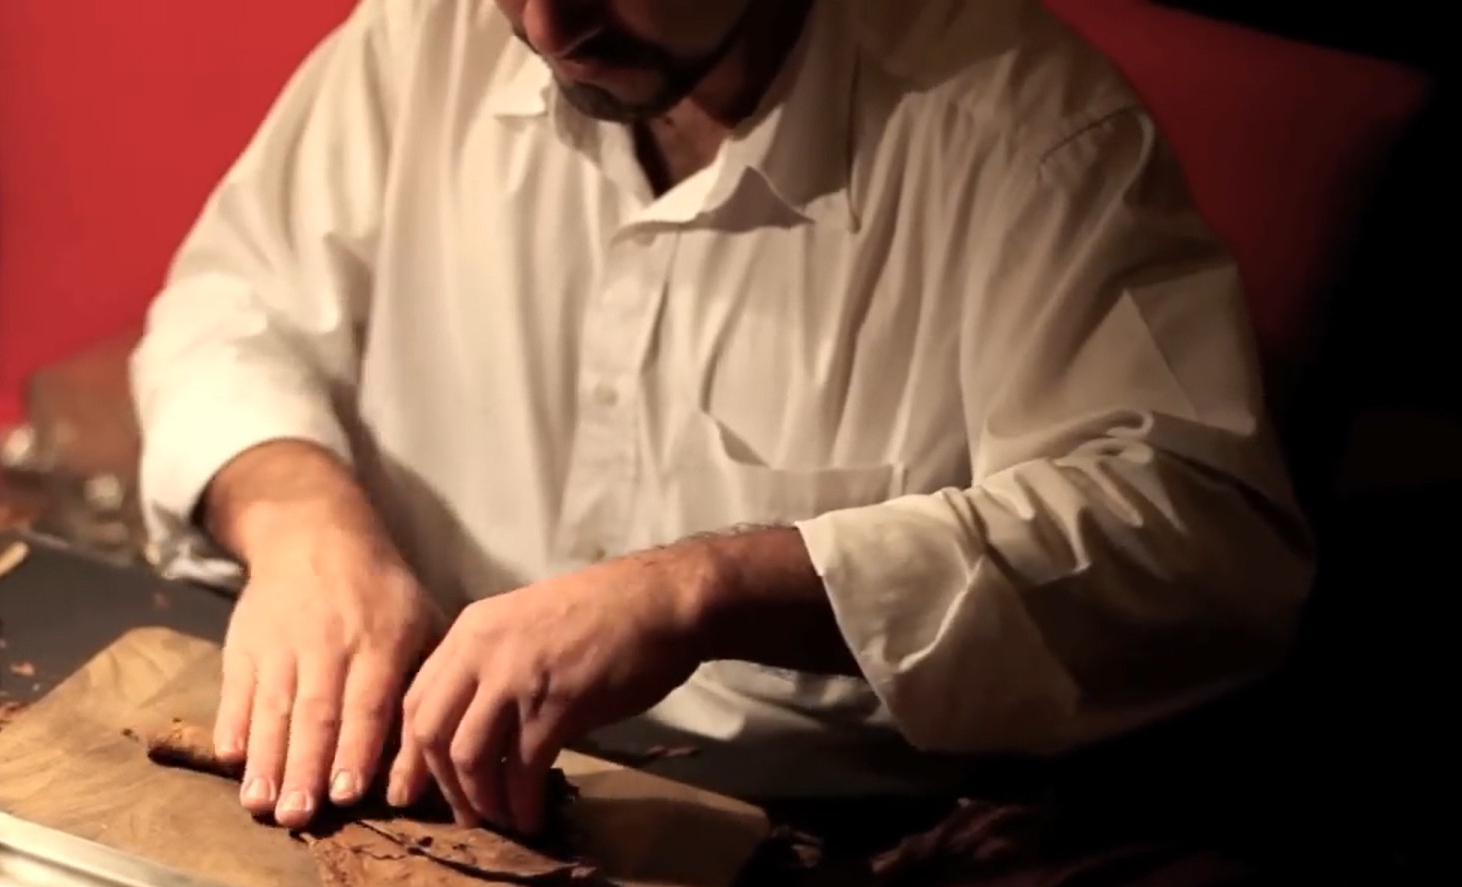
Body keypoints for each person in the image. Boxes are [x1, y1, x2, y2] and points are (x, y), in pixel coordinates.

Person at [130, 0, 1313, 835]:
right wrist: (305, 530)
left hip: (810, 834)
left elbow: (1193, 538)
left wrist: (704, 590)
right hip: (399, 758)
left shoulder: (1018, 127)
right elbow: (229, 307)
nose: (547, 27)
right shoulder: (423, 29)